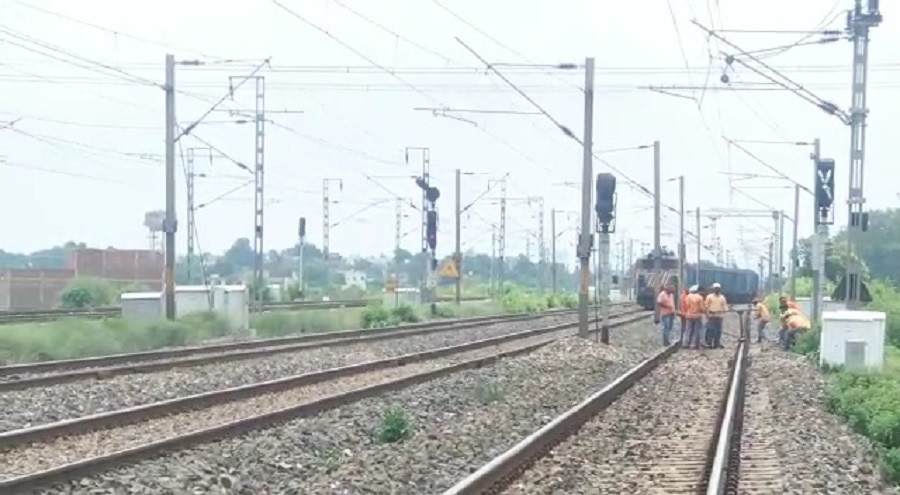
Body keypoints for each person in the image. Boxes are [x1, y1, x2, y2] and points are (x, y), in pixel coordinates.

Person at [704, 282, 728, 349]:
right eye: (715, 289)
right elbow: (706, 306)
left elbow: (725, 307)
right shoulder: (709, 297)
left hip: (719, 316)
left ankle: (716, 343)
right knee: (710, 330)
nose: (717, 290)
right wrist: (707, 314)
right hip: (711, 316)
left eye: (718, 289)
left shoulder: (722, 297)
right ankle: (709, 343)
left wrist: (724, 312)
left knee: (718, 331)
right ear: (713, 289)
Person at [682, 285, 705, 349]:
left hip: (689, 315)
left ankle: (685, 343)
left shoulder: (688, 296)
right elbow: (701, 308)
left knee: (688, 329)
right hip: (697, 316)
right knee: (696, 330)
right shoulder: (700, 298)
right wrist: (705, 311)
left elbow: (686, 305)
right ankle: (694, 344)